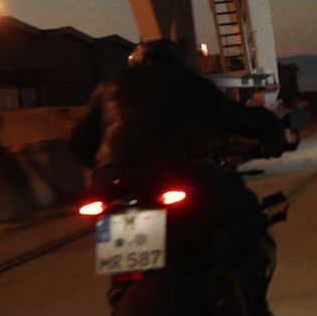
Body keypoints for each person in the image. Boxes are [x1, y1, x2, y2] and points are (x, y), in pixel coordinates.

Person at [71, 39, 291, 315]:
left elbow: (79, 144)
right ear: (177, 62)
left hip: (115, 185)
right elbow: (234, 116)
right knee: (246, 214)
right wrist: (273, 131)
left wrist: (110, 164)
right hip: (174, 175)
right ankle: (253, 302)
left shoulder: (108, 88)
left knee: (124, 259)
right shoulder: (186, 82)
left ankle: (121, 291)